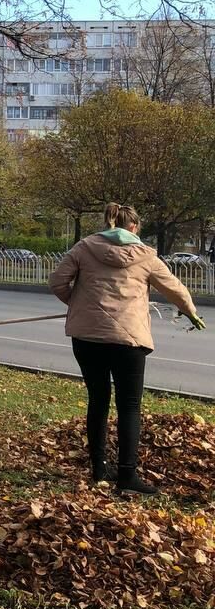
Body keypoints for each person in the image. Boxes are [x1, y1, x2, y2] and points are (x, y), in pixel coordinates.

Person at [50, 202, 205, 495]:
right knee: (129, 406)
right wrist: (191, 311)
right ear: (133, 227)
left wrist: (80, 306)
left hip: (87, 339)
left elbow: (57, 281)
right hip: (129, 342)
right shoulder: (146, 255)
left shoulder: (84, 247)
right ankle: (127, 476)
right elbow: (174, 289)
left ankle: (98, 469)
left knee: (98, 399)